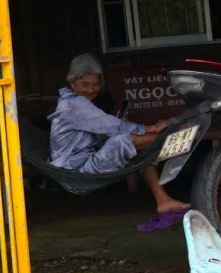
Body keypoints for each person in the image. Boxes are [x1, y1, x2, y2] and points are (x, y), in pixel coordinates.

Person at [49, 54, 190, 216]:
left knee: (142, 151)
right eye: (85, 84)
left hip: (83, 163)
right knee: (123, 140)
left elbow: (102, 130)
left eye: (96, 85)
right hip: (75, 173)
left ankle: (163, 201)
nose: (91, 90)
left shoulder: (77, 102)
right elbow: (113, 127)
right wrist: (151, 128)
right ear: (72, 83)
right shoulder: (74, 104)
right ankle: (171, 138)